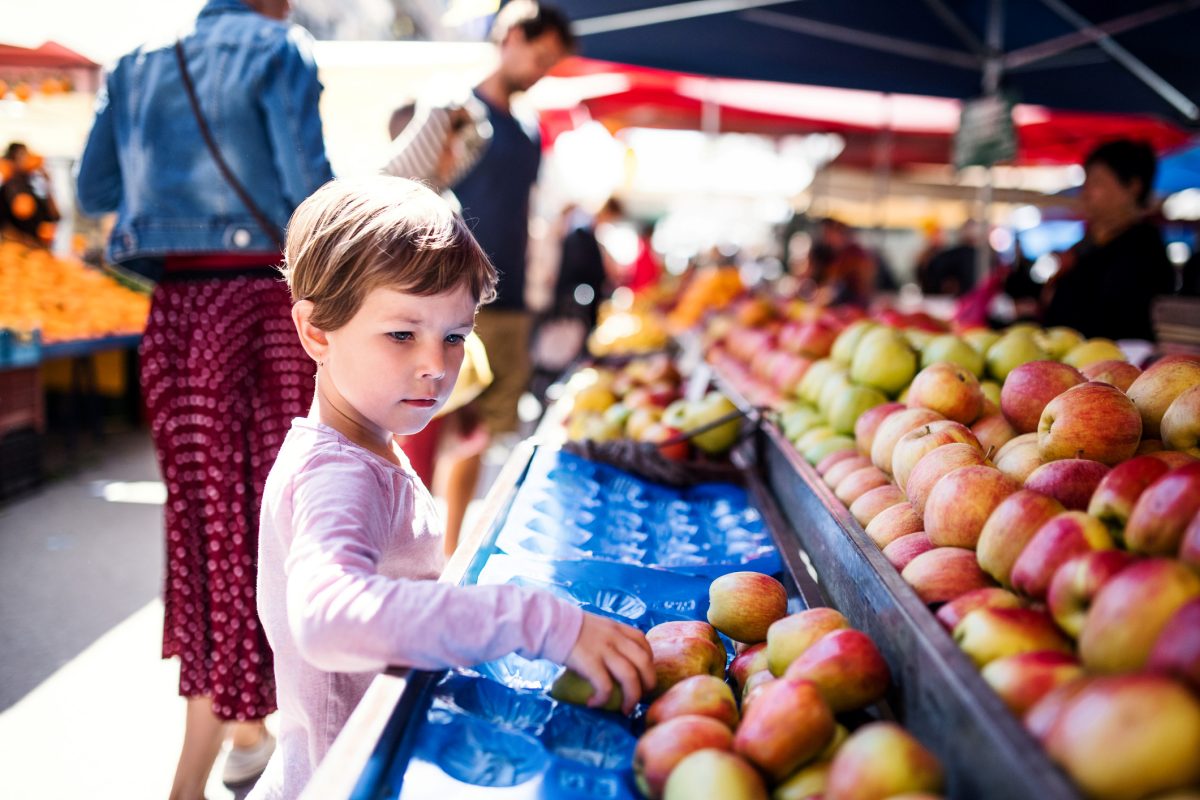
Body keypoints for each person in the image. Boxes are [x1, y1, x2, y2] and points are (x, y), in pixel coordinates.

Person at [249, 176, 654, 800]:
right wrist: (537, 621)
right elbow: (328, 617)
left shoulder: (367, 443)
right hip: (344, 776)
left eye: (455, 336)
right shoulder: (337, 472)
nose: (435, 365)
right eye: (402, 334)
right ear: (317, 334)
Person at [74, 1, 333, 796]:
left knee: (202, 524)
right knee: (267, 522)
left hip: (176, 315)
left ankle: (243, 726)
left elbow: (94, 188)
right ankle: (225, 745)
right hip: (259, 307)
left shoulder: (133, 60)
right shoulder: (279, 50)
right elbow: (312, 199)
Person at [382, 1, 574, 555]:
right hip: (449, 298)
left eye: (551, 62)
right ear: (510, 35)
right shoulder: (456, 110)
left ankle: (450, 550)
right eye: (538, 54)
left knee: (480, 433)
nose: (540, 70)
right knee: (429, 425)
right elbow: (404, 186)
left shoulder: (531, 129)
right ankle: (407, 555)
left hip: (508, 298)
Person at [1043, 140, 1174, 341]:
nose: (1085, 193)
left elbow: (1115, 321)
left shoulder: (1143, 252)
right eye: (1086, 182)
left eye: (1097, 182)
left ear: (1133, 187)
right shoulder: (1086, 246)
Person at [0, 142, 61, 246]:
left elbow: (55, 216)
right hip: (18, 250)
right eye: (22, 155)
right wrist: (25, 242)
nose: (27, 159)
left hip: (40, 248)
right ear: (11, 160)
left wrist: (48, 184)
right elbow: (3, 228)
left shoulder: (34, 185)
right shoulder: (6, 188)